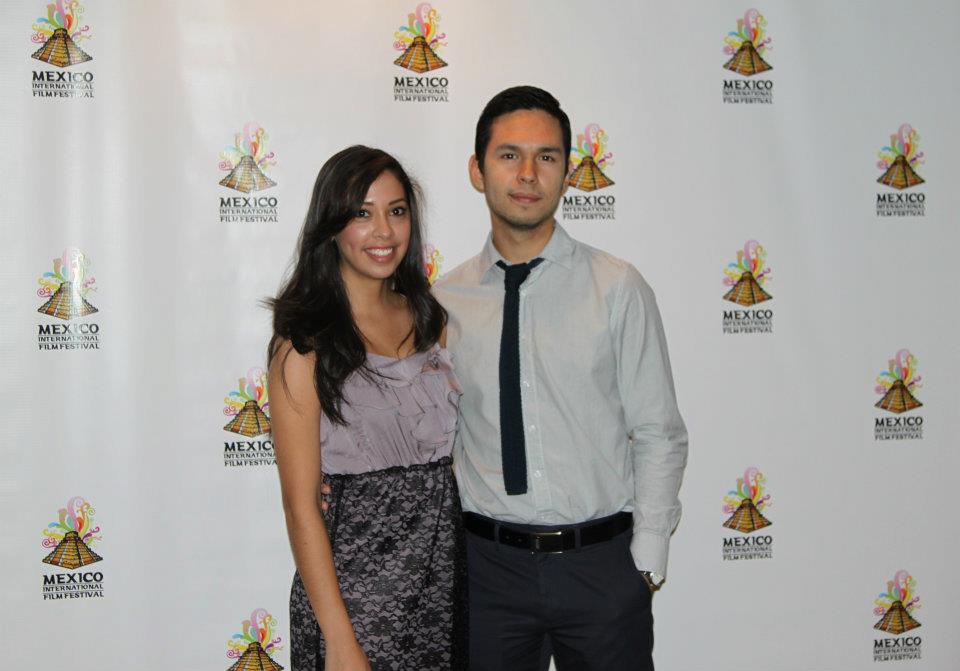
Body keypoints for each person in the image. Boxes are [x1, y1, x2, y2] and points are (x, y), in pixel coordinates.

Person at [431, 86, 688, 670]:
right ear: (478, 170)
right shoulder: (441, 303)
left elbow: (658, 430)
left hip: (601, 569)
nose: (527, 173)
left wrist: (645, 561)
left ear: (568, 173)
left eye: (546, 157)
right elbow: (430, 436)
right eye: (508, 155)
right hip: (487, 572)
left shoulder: (618, 287)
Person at [268, 145, 467, 671]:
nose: (384, 231)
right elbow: (301, 505)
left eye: (397, 211)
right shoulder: (304, 347)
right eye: (363, 213)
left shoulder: (433, 320)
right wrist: (339, 639)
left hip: (444, 588)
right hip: (358, 597)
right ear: (332, 225)